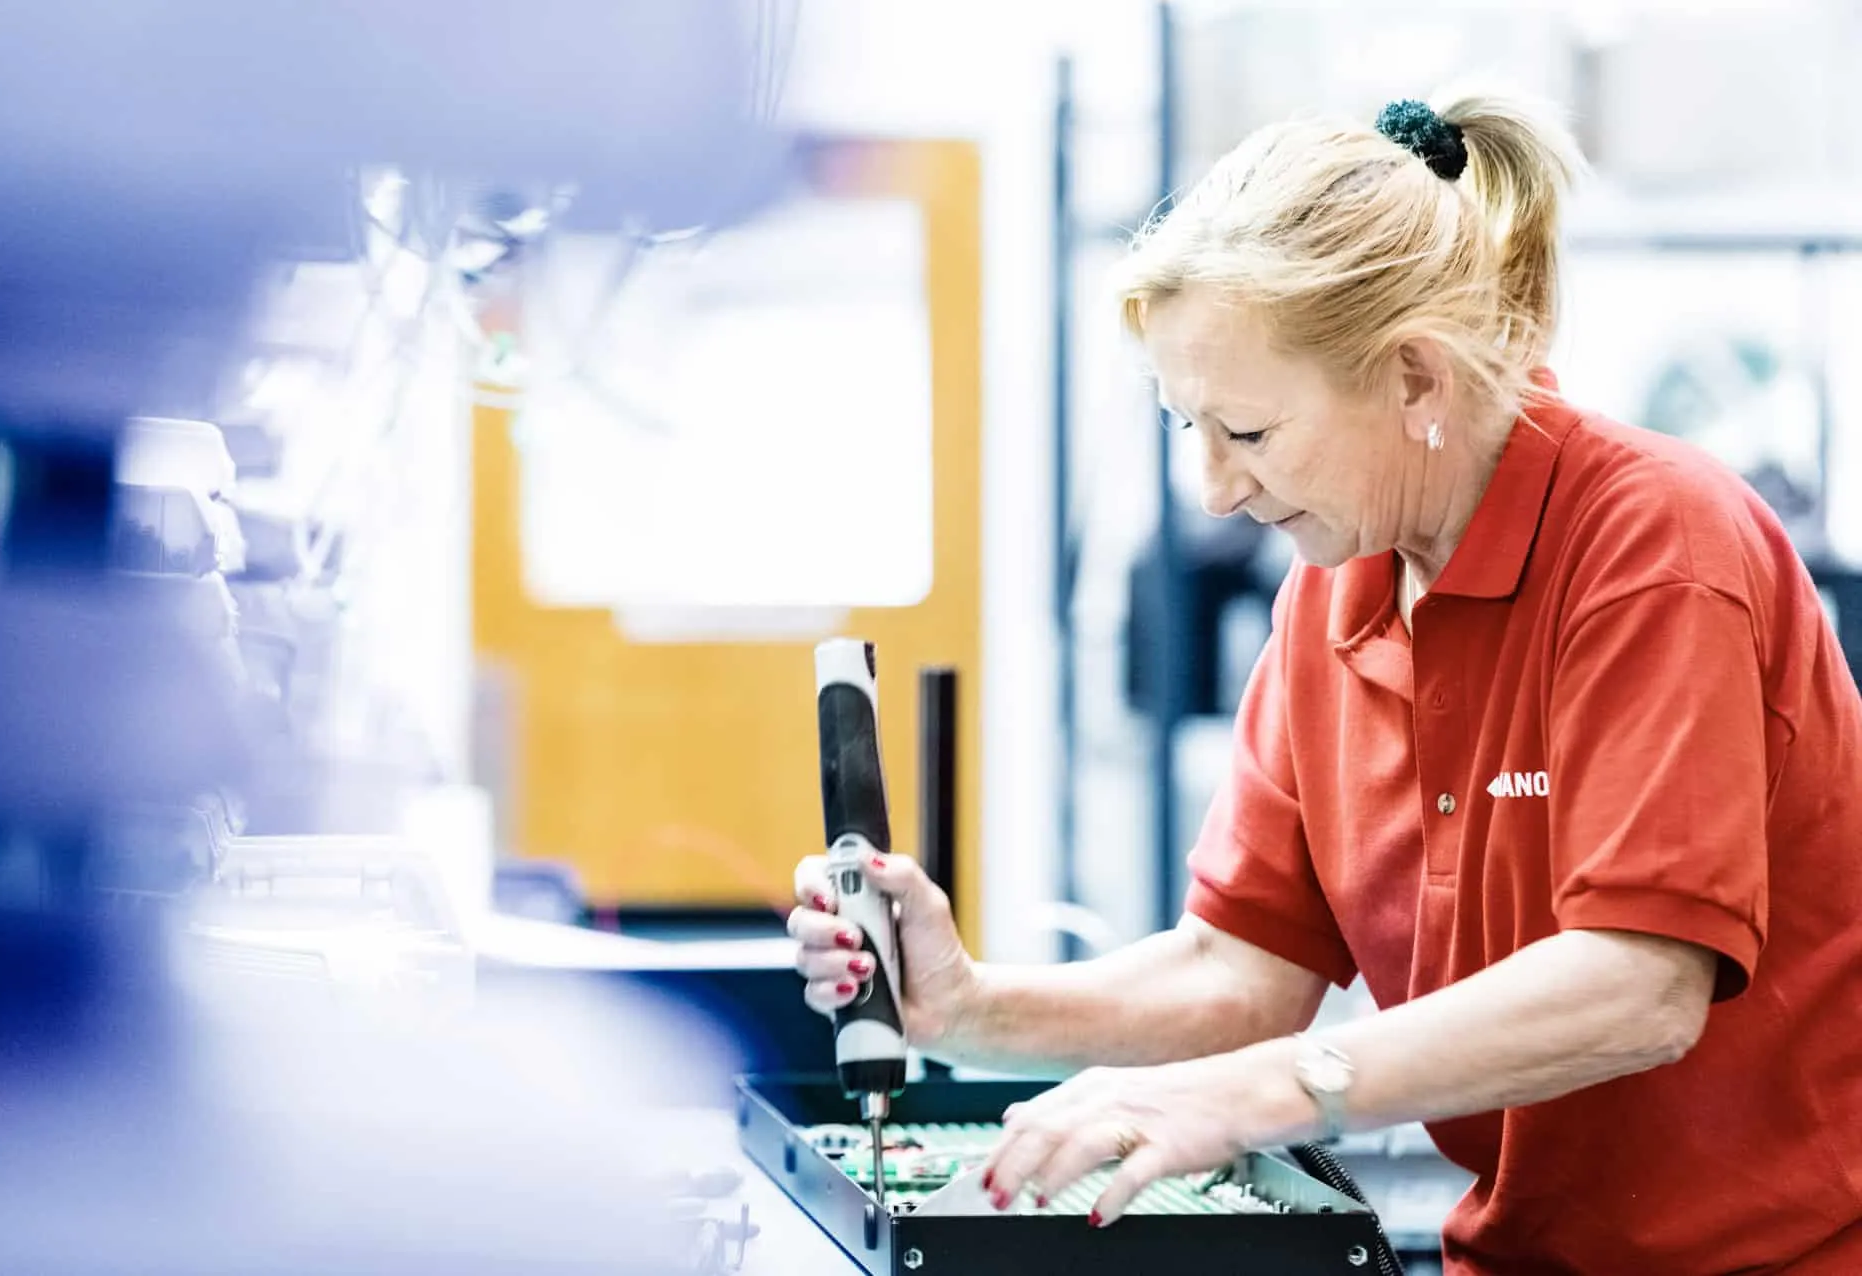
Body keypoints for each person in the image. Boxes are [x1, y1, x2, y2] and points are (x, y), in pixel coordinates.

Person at [788, 85, 1862, 1274]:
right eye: (1185, 427)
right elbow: (1241, 972)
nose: (1213, 489)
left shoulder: (1656, 546)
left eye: (1247, 434)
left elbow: (1638, 985)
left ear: (1415, 380)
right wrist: (968, 1005)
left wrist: (1248, 1097)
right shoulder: (1336, 587)